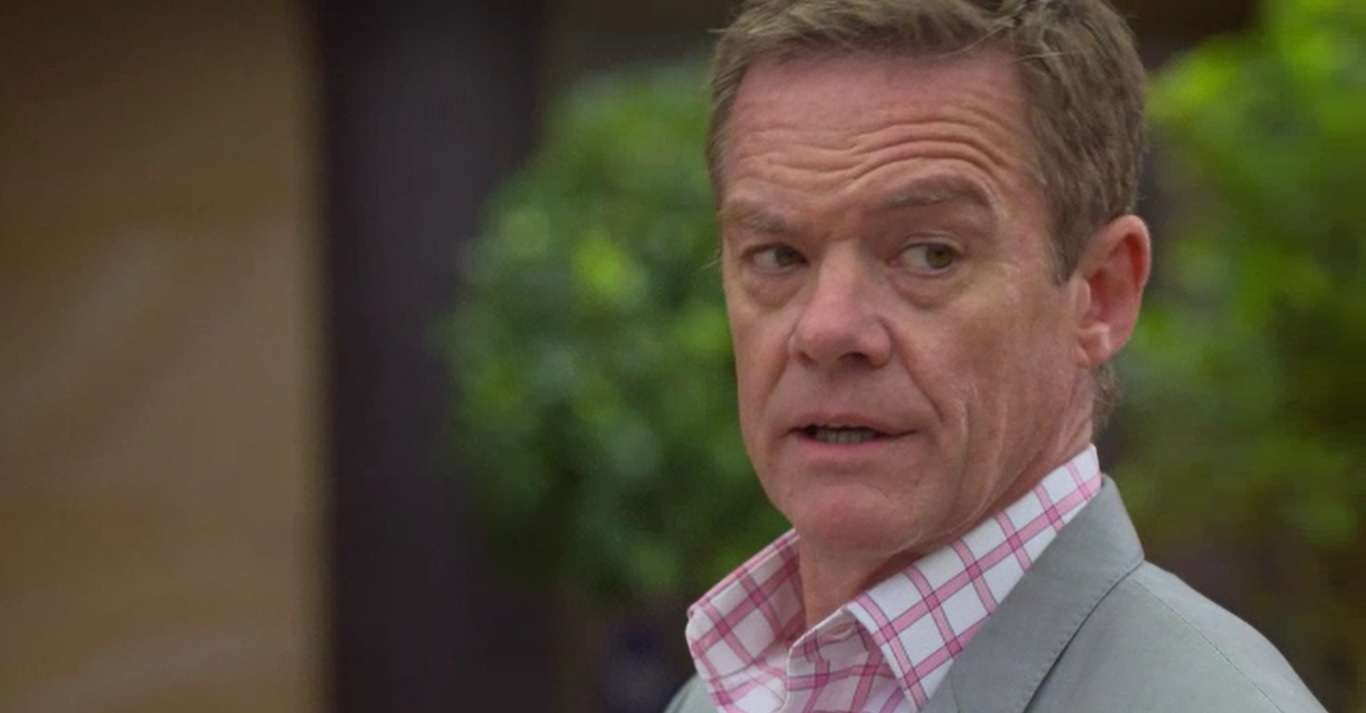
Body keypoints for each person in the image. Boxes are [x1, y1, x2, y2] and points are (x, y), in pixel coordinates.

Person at [664, 1, 1327, 711]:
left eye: (930, 254)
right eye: (778, 255)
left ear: (1101, 294)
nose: (827, 329)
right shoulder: (720, 698)